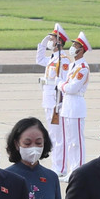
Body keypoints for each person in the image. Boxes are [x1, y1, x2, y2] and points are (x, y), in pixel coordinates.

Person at [36, 24, 72, 174]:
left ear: (59, 42)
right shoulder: (53, 58)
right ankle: (57, 166)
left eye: (51, 39)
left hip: (57, 102)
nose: (50, 41)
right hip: (49, 101)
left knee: (59, 137)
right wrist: (42, 44)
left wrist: (60, 102)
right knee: (53, 136)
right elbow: (39, 60)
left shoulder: (63, 60)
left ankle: (60, 168)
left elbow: (63, 82)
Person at [55, 32, 91, 179]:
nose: (72, 47)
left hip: (76, 105)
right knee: (70, 141)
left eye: (75, 45)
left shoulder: (83, 67)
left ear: (81, 49)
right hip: (68, 106)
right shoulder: (72, 65)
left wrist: (60, 84)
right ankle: (72, 170)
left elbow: (72, 88)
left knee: (77, 142)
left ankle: (79, 171)